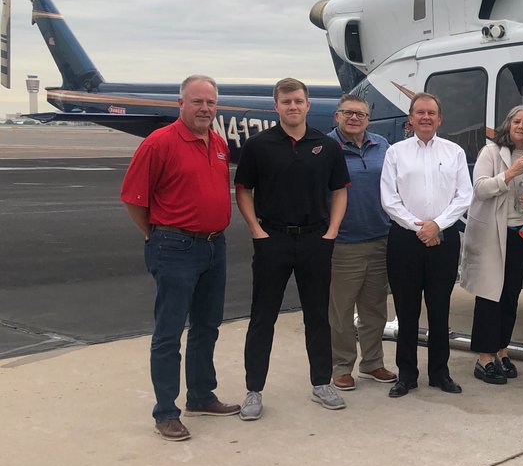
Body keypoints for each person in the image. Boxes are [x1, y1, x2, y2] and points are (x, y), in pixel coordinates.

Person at [120, 74, 240, 441]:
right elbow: (133, 199)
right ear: (181, 104)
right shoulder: (159, 143)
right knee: (169, 332)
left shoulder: (218, 143)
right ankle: (166, 412)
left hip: (214, 246)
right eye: (197, 101)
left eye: (210, 102)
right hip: (175, 247)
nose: (205, 108)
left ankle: (201, 396)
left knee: (207, 326)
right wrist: (156, 235)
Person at [234, 78, 350, 419]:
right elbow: (243, 189)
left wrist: (332, 231)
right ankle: (254, 390)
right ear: (276, 106)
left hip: (315, 239)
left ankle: (321, 383)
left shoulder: (326, 146)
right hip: (273, 239)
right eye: (286, 101)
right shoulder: (258, 145)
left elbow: (339, 190)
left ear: (308, 105)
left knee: (318, 315)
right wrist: (256, 230)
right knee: (263, 316)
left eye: (298, 101)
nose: (293, 106)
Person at [380, 92, 472, 397]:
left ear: (439, 119)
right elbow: (389, 199)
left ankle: (439, 373)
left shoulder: (454, 152)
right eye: (420, 112)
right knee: (406, 310)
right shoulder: (395, 152)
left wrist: (437, 225)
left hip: (443, 238)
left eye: (431, 113)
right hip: (405, 239)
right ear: (411, 118)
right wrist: (418, 227)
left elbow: (464, 195)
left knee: (440, 308)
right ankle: (406, 375)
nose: (426, 117)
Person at [460, 106, 523, 384]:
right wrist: (509, 174)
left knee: (510, 296)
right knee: (490, 295)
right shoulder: (490, 153)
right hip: (492, 236)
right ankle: (484, 358)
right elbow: (480, 189)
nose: (521, 126)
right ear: (508, 125)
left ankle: (502, 350)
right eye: (517, 121)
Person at [327, 94, 397, 391]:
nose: (354, 118)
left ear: (368, 119)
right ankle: (342, 366)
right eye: (348, 113)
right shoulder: (325, 147)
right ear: (337, 116)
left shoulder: (383, 145)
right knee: (341, 311)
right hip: (344, 243)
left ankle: (372, 362)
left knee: (375, 309)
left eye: (361, 114)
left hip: (380, 238)